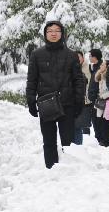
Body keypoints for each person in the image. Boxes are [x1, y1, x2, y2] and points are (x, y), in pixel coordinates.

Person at [25, 21, 86, 169]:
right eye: (50, 31)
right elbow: (32, 79)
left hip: (67, 104)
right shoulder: (36, 54)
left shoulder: (71, 55)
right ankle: (51, 170)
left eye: (57, 30)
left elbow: (78, 80)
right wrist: (31, 101)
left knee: (68, 142)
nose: (53, 33)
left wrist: (79, 101)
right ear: (45, 34)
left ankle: (68, 171)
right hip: (46, 105)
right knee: (49, 141)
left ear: (62, 34)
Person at [88, 49, 109, 147]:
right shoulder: (94, 68)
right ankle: (100, 139)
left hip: (101, 99)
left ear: (95, 57)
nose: (89, 57)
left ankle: (104, 140)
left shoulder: (102, 68)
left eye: (90, 56)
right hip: (95, 99)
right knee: (96, 120)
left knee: (102, 121)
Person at [73, 50, 91, 144]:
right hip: (73, 101)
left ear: (83, 58)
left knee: (81, 124)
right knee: (74, 125)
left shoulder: (88, 68)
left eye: (79, 57)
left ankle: (83, 144)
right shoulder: (70, 69)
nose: (77, 59)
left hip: (85, 100)